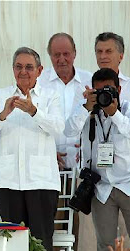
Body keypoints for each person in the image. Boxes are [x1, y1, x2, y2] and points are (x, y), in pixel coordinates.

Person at [63, 68, 130, 251]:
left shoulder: (129, 109)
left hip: (129, 182)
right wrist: (86, 108)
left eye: (108, 90)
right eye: (98, 91)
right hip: (102, 187)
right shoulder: (87, 112)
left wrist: (114, 113)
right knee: (105, 243)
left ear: (118, 89)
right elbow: (69, 131)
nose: (103, 95)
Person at [0, 47, 63, 251]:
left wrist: (34, 111)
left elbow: (58, 128)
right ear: (13, 69)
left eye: (29, 67)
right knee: (10, 245)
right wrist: (3, 114)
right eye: (19, 67)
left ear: (39, 70)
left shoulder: (50, 96)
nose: (23, 72)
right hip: (7, 181)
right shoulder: (0, 96)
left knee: (41, 245)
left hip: (41, 182)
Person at [38, 33, 92, 171]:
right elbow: (32, 121)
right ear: (49, 56)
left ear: (75, 53)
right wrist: (47, 151)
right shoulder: (39, 82)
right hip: (48, 165)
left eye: (66, 54)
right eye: (56, 55)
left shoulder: (90, 80)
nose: (62, 59)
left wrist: (90, 146)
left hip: (83, 165)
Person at [94, 32, 130, 115]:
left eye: (108, 51)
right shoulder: (84, 86)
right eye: (99, 51)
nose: (102, 56)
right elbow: (73, 127)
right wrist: (85, 107)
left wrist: (114, 114)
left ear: (121, 56)